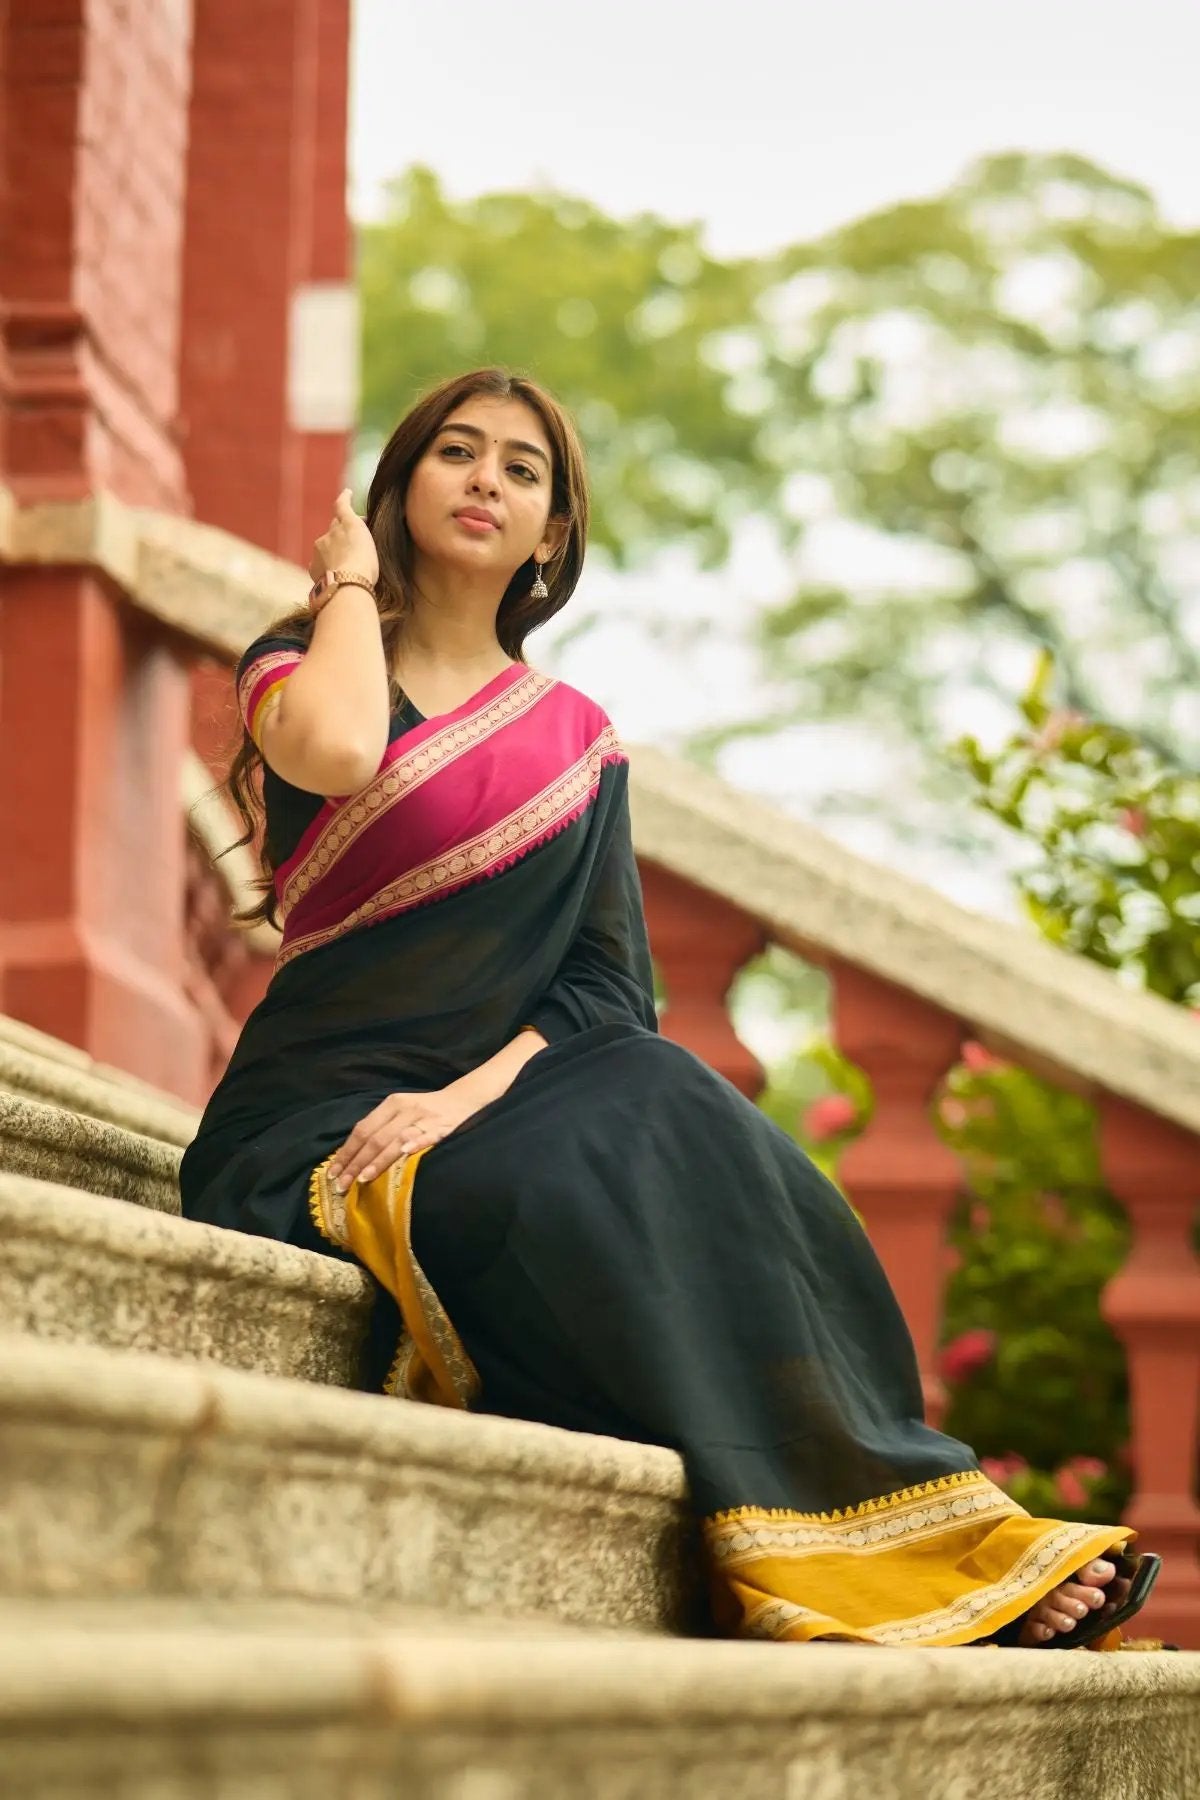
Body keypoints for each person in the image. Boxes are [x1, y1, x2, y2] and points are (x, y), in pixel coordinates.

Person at [180, 365, 1159, 1651]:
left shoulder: (576, 740)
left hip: (467, 1115)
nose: (486, 481)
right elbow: (345, 756)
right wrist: (350, 587)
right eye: (456, 454)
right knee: (592, 1171)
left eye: (521, 470)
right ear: (403, 483)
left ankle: (938, 1520)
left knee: (679, 1099)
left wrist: (457, 1098)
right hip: (309, 1128)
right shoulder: (305, 659)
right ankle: (849, 1546)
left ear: (555, 532)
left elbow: (602, 986)